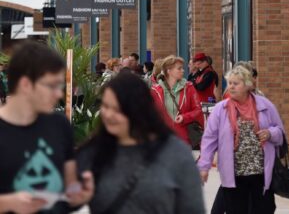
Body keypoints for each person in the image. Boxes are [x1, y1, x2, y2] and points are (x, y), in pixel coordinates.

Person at [77, 72, 205, 214]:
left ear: (138, 110)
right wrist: (75, 197)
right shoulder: (93, 152)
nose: (108, 115)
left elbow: (193, 208)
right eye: (106, 106)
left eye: (117, 109)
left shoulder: (175, 153)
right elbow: (60, 200)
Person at [0, 41, 93, 213]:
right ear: (26, 84)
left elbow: (69, 184)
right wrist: (8, 202)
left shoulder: (59, 124)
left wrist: (78, 195)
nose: (58, 93)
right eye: (51, 86)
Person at [198, 66, 284, 214]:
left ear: (247, 85)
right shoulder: (221, 109)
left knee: (263, 210)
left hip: (261, 173)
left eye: (235, 83)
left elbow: (280, 132)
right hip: (234, 174)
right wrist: (204, 166)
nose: (230, 86)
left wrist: (270, 133)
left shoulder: (265, 105)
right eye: (229, 83)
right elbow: (209, 139)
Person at [151, 55, 203, 145]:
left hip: (183, 138)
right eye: (179, 68)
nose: (183, 70)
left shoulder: (189, 87)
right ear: (169, 71)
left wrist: (184, 117)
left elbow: (198, 110)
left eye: (182, 68)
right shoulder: (155, 90)